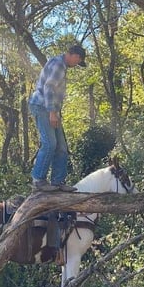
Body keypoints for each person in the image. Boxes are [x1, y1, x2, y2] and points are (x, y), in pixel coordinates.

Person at [28, 42, 87, 192]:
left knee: (61, 147)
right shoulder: (59, 64)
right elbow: (48, 87)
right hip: (42, 106)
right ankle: (38, 180)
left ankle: (57, 182)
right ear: (74, 56)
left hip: (50, 108)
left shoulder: (60, 64)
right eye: (78, 61)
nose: (77, 64)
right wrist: (52, 112)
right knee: (50, 144)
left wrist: (55, 112)